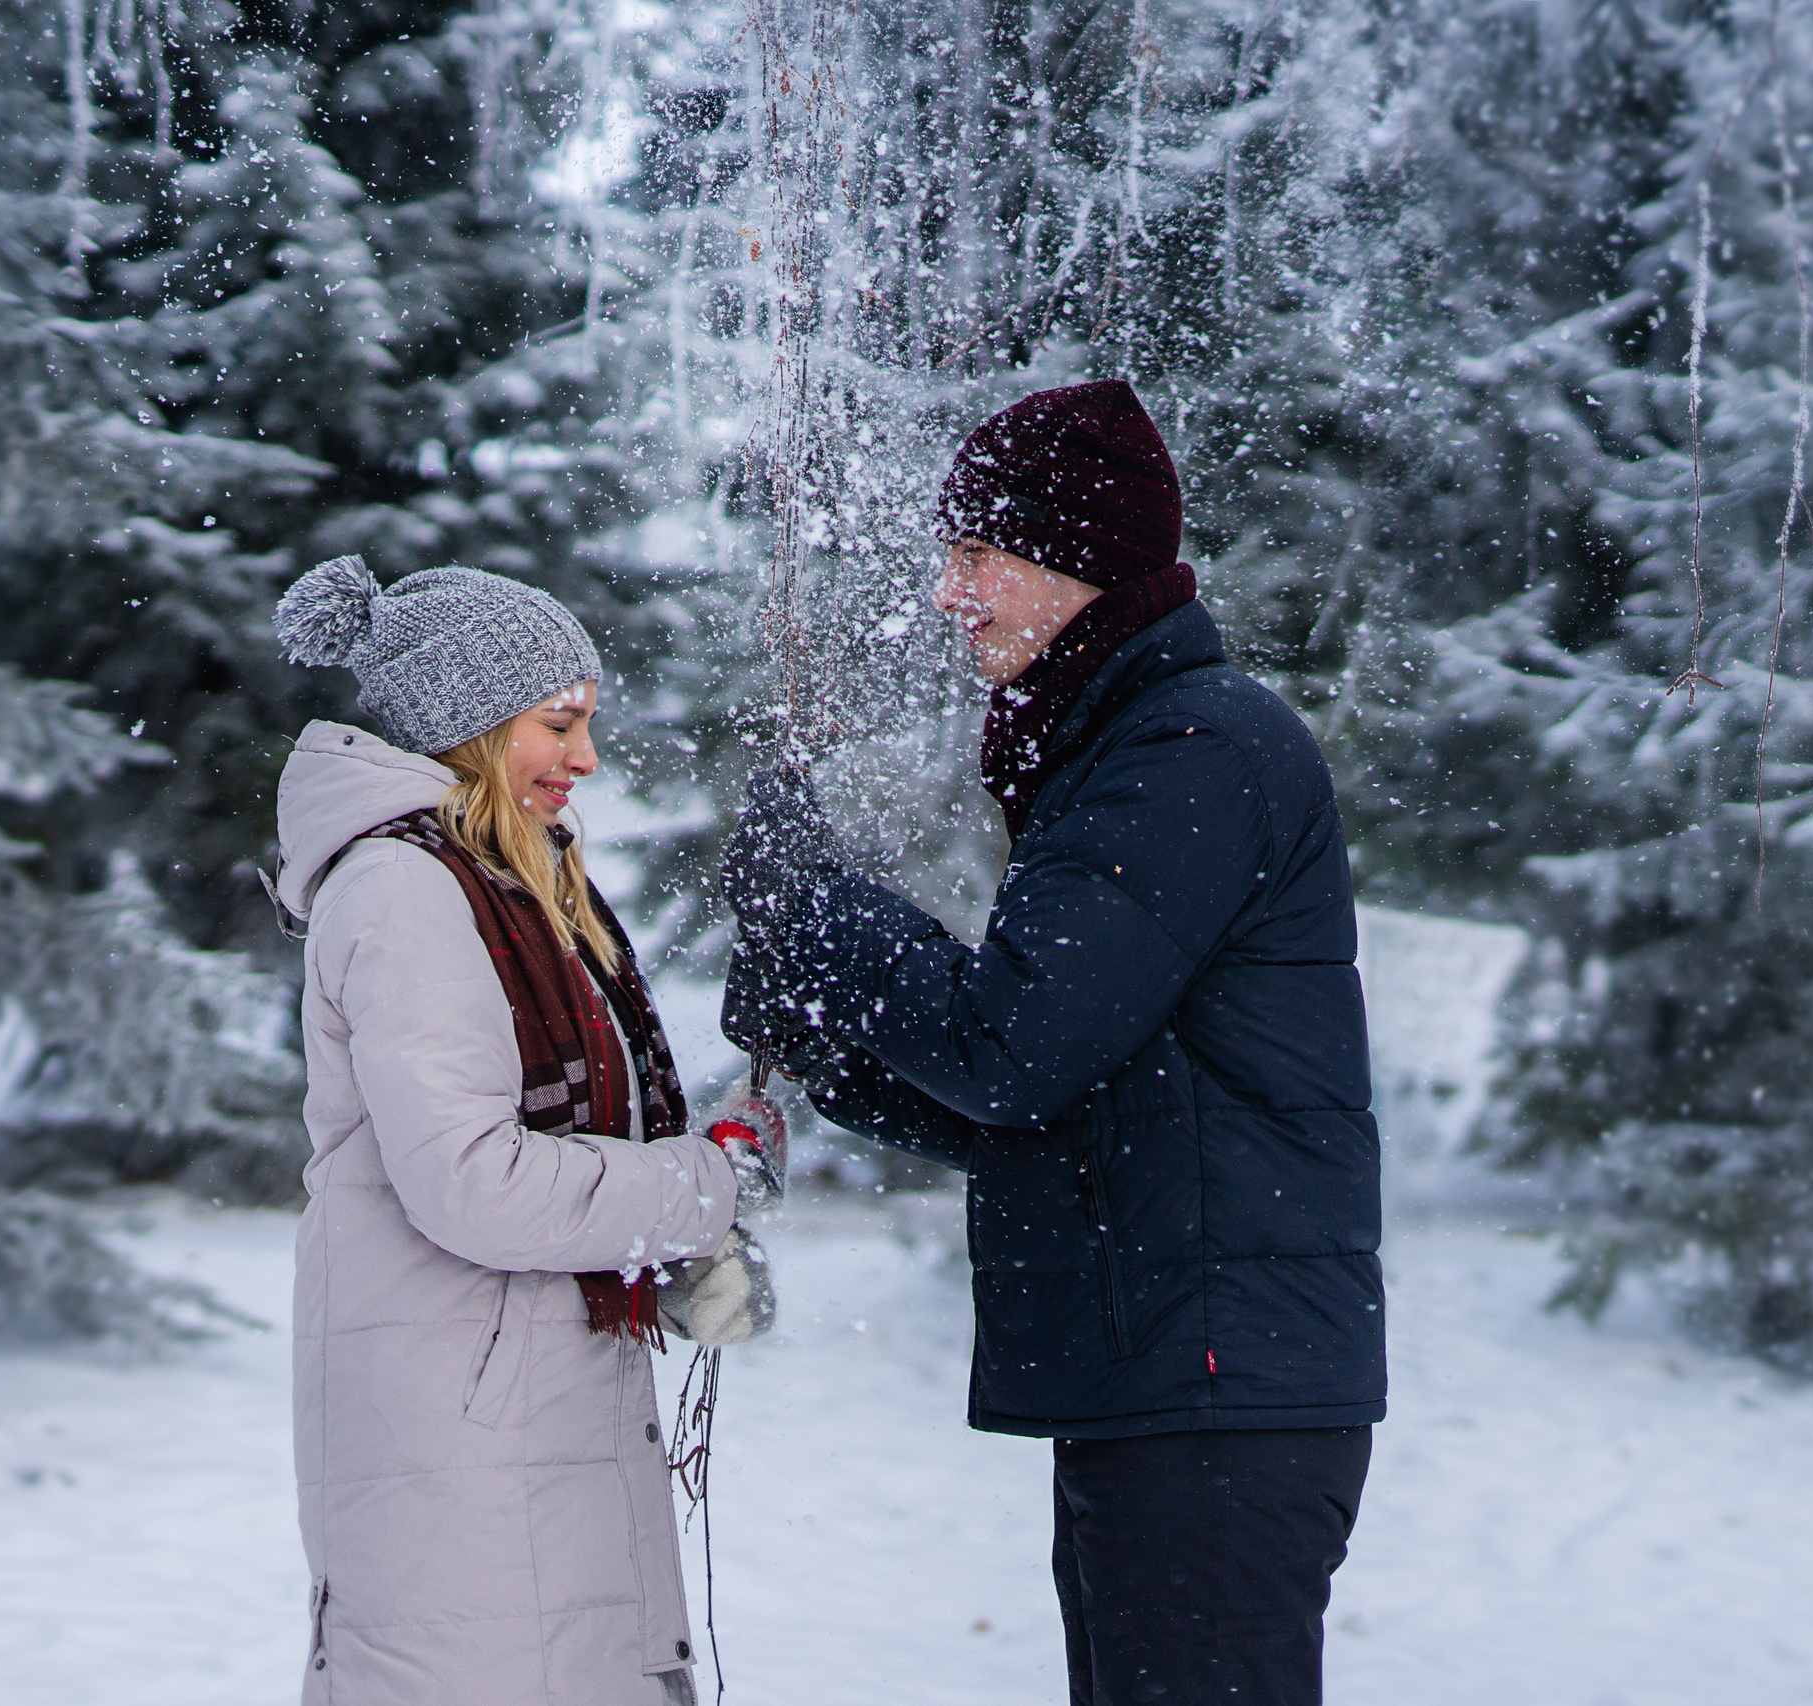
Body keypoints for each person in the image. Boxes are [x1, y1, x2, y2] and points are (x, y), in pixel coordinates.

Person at [718, 380, 1384, 1706]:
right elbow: (1042, 1107)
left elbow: (1012, 1043)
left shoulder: (1190, 747)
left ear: (1078, 558)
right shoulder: (1112, 750)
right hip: (1171, 1384)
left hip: (1217, 1391)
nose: (950, 593)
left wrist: (824, 911)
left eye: (978, 554)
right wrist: (827, 1025)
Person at [271, 555, 779, 1706]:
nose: (585, 759)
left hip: (521, 1408)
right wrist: (704, 1182)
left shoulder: (503, 881)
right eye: (559, 723)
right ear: (471, 725)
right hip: (465, 1432)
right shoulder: (407, 890)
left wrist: (698, 1218)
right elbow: (473, 1183)